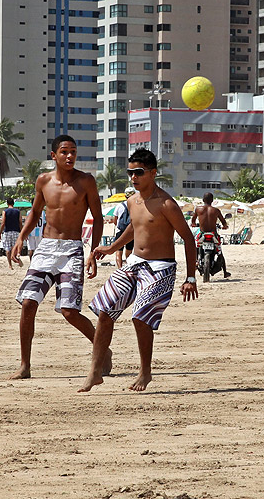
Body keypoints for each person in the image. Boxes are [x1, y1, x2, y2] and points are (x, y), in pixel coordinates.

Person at [79, 147, 198, 392]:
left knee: (140, 316)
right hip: (134, 263)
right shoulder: (132, 201)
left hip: (160, 268)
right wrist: (112, 248)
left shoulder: (166, 203)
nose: (133, 177)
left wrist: (190, 277)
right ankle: (95, 371)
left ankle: (145, 372)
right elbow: (135, 227)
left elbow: (188, 238)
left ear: (153, 173)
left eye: (139, 172)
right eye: (130, 172)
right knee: (105, 309)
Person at [8, 135, 106, 380]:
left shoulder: (86, 182)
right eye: (64, 152)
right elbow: (35, 212)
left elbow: (98, 218)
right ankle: (24, 366)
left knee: (69, 311)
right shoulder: (44, 181)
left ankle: (103, 349)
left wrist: (93, 252)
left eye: (73, 151)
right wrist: (21, 238)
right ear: (54, 155)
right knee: (29, 303)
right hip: (46, 248)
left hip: (72, 249)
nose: (70, 156)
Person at [190, 192, 230, 278]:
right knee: (220, 252)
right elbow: (223, 222)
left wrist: (193, 224)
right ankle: (225, 272)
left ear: (203, 200)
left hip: (202, 233)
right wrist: (225, 226)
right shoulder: (216, 210)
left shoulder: (198, 209)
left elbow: (193, 221)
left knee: (197, 247)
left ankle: (196, 262)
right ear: (212, 200)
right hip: (213, 234)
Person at [0, 199, 22, 267]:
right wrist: (22, 232)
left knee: (7, 249)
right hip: (16, 231)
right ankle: (16, 257)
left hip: (7, 232)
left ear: (7, 204)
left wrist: (0, 233)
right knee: (15, 247)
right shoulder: (18, 211)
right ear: (13, 204)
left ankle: (10, 265)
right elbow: (20, 222)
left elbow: (3, 223)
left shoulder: (5, 211)